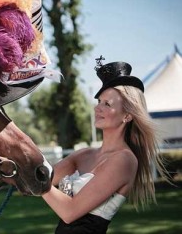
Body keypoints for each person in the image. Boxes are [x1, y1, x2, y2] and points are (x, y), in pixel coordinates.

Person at [41, 57, 169, 234]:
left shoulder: (124, 160)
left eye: (107, 104)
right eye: (99, 101)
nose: (97, 108)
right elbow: (40, 178)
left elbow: (69, 212)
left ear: (127, 116)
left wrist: (35, 180)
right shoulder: (83, 155)